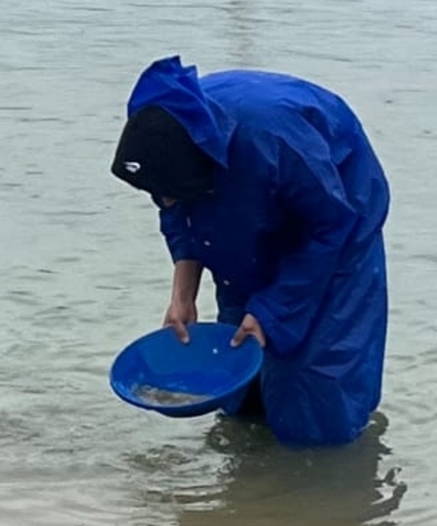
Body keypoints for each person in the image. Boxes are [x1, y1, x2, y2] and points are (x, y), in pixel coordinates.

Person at [110, 55, 389, 447]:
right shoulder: (160, 131)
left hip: (336, 219)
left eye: (171, 191)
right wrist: (183, 294)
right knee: (243, 376)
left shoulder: (273, 138)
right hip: (233, 200)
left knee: (312, 386)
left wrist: (271, 311)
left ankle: (323, 482)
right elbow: (179, 214)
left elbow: (331, 225)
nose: (164, 199)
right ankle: (249, 486)